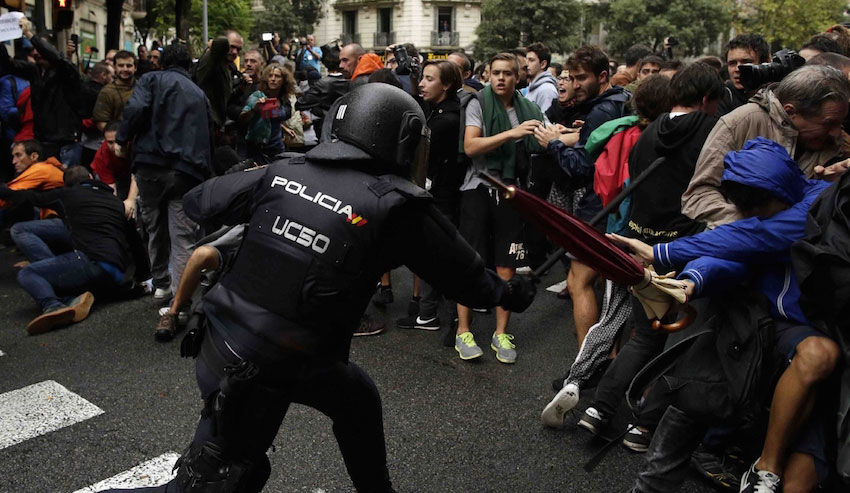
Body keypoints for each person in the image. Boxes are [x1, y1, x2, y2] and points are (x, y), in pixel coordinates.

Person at [100, 83, 536, 493]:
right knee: (216, 479)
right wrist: (513, 293)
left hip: (226, 346)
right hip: (272, 366)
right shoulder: (396, 206)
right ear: (401, 140)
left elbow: (200, 203)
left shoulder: (285, 169)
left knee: (355, 400)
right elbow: (472, 281)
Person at [612, 138, 837, 493]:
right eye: (747, 207)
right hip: (747, 323)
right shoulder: (760, 219)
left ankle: (764, 466)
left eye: (762, 203)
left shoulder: (817, 204)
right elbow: (729, 251)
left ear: (784, 188)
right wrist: (691, 282)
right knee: (694, 394)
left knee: (813, 426)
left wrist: (663, 252)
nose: (754, 214)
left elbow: (752, 237)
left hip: (804, 330)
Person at [533, 45, 630, 354]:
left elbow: (580, 169)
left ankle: (588, 364)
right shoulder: (620, 101)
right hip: (617, 204)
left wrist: (553, 144)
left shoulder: (602, 109)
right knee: (606, 288)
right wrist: (581, 135)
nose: (574, 85)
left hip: (599, 206)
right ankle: (607, 360)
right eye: (572, 78)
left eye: (581, 78)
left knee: (579, 283)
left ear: (603, 76)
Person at [454, 52, 545, 364]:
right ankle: (463, 331)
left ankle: (500, 332)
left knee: (507, 264)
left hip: (511, 191)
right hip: (477, 188)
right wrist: (511, 133)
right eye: (496, 73)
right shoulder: (478, 103)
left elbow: (545, 137)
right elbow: (470, 146)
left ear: (517, 77)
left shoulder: (527, 107)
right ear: (488, 75)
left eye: (508, 73)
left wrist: (572, 134)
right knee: (471, 262)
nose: (502, 78)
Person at [683, 64, 850, 229]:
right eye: (829, 123)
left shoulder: (836, 143)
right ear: (790, 112)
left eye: (840, 123)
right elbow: (699, 194)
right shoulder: (741, 122)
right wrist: (750, 227)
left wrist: (835, 187)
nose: (836, 133)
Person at [116, 43, 213, 304]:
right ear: (188, 65)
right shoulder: (198, 93)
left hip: (150, 165)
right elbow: (208, 137)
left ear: (163, 61)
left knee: (155, 228)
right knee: (183, 236)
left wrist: (122, 139)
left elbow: (135, 110)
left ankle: (161, 284)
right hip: (187, 171)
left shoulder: (150, 80)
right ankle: (181, 301)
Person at [1, 166, 148, 335]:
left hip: (91, 262)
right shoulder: (115, 202)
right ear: (91, 177)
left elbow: (27, 197)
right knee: (71, 270)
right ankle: (87, 294)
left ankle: (54, 305)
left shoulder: (66, 195)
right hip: (117, 273)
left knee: (28, 274)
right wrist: (144, 278)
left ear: (67, 185)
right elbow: (135, 243)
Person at [396, 60, 464, 331]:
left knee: (433, 256)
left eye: (429, 79)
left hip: (441, 198)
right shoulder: (446, 111)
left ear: (446, 85)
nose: (422, 83)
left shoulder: (445, 120)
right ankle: (433, 314)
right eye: (421, 77)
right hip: (445, 196)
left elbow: (421, 156)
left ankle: (431, 315)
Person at [239, 63, 295, 163]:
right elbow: (242, 119)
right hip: (259, 149)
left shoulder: (282, 99)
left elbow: (270, 118)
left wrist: (284, 128)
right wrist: (255, 109)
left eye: (277, 76)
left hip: (277, 148)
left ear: (283, 81)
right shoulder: (257, 96)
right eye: (270, 76)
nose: (273, 79)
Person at [196, 30, 243, 129]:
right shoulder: (212, 58)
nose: (235, 52)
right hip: (205, 121)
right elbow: (220, 42)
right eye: (231, 47)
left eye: (238, 49)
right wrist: (213, 43)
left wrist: (241, 87)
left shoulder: (229, 67)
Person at [716, 34, 770, 117]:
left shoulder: (778, 95)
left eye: (746, 62)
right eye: (732, 63)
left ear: (765, 64)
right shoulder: (719, 97)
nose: (737, 69)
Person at [93, 50, 136, 132]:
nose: (125, 69)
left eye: (129, 65)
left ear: (135, 68)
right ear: (115, 67)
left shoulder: (143, 88)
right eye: (121, 65)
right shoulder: (107, 91)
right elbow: (101, 122)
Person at [525, 42, 559, 112]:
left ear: (543, 64)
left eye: (531, 60)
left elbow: (546, 121)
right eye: (526, 60)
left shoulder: (547, 90)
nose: (526, 64)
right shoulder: (532, 87)